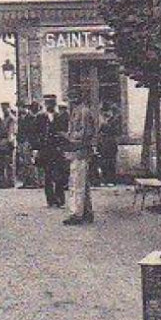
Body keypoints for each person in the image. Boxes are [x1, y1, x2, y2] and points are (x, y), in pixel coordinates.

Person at [63, 92, 98, 225]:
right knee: (83, 184)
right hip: (79, 151)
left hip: (80, 151)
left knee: (77, 184)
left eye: (71, 98)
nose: (69, 101)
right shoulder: (78, 111)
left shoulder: (83, 112)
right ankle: (87, 212)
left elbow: (85, 133)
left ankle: (77, 214)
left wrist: (69, 138)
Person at [36, 107, 68, 207]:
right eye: (48, 102)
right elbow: (36, 133)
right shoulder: (41, 117)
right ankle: (50, 200)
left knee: (59, 175)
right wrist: (37, 148)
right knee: (48, 175)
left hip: (57, 150)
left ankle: (60, 198)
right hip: (46, 151)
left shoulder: (60, 117)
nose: (50, 104)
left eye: (52, 102)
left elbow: (64, 131)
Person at [17, 100, 44, 188]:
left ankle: (35, 182)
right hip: (29, 142)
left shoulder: (36, 118)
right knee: (28, 163)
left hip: (33, 143)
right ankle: (29, 181)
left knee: (33, 163)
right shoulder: (30, 118)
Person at [95, 104, 121, 186]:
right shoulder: (103, 122)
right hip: (103, 145)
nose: (106, 114)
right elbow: (99, 132)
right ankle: (104, 180)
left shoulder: (115, 121)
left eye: (108, 112)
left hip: (111, 144)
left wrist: (106, 125)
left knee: (111, 163)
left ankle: (111, 180)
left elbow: (116, 131)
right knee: (103, 163)